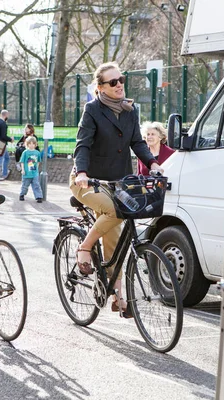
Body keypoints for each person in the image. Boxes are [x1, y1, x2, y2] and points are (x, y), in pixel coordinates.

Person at [71, 61, 163, 317]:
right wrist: (81, 173)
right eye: (113, 82)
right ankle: (85, 247)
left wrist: (153, 164)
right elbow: (83, 145)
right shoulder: (92, 110)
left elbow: (137, 142)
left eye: (121, 79)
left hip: (118, 182)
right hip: (89, 181)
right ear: (100, 87)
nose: (119, 84)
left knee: (115, 236)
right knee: (113, 213)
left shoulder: (130, 111)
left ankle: (118, 296)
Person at [18, 136, 43, 203]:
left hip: (34, 173)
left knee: (36, 185)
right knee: (25, 185)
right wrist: (23, 170)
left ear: (35, 144)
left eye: (33, 144)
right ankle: (22, 194)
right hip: (26, 173)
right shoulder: (25, 152)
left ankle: (38, 197)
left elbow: (38, 161)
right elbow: (22, 162)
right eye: (30, 144)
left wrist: (36, 168)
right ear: (27, 144)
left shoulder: (37, 153)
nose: (31, 145)